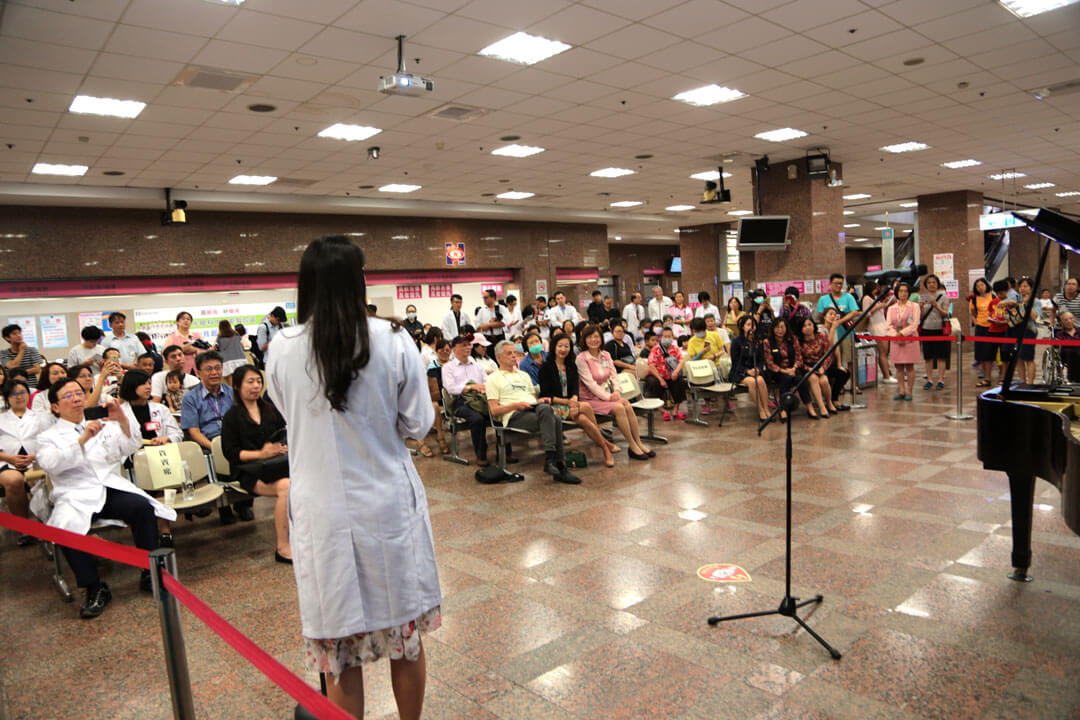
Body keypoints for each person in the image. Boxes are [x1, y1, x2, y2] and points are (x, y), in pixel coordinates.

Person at [264, 236, 440, 720]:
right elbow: (417, 423)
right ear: (359, 282)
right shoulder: (393, 339)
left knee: (340, 654)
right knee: (405, 639)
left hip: (321, 512)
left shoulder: (282, 348)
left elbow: (289, 414)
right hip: (386, 503)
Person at [36, 380, 176, 618]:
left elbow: (129, 446)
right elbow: (50, 463)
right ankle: (94, 588)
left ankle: (149, 571)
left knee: (141, 507)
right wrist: (82, 440)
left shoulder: (103, 423)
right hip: (74, 494)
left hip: (107, 486)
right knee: (66, 530)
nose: (76, 398)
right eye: (68, 396)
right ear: (55, 407)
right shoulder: (47, 437)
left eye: (79, 393)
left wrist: (122, 421)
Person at [220, 365, 291, 563]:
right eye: (250, 382)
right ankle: (283, 547)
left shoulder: (270, 410)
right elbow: (231, 453)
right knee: (287, 487)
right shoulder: (232, 417)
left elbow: (282, 436)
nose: (256, 386)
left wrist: (282, 447)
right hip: (249, 471)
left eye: (259, 381)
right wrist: (261, 453)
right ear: (237, 386)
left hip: (276, 465)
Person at [486, 340, 581, 484]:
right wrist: (517, 405)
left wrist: (539, 401)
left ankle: (552, 461)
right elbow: (494, 411)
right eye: (509, 353)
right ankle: (559, 466)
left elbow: (533, 399)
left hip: (533, 409)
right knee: (554, 418)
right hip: (514, 415)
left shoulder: (523, 375)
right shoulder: (493, 378)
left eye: (514, 352)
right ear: (498, 357)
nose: (514, 356)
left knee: (549, 412)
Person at [180, 350, 252, 524]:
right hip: (207, 442)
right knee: (214, 458)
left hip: (232, 439)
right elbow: (193, 431)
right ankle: (223, 507)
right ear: (198, 373)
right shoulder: (190, 398)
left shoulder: (232, 392)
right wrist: (215, 446)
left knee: (249, 453)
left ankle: (243, 504)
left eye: (218, 368)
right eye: (209, 369)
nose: (214, 373)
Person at [539, 333, 620, 467]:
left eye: (566, 346)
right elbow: (546, 395)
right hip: (554, 407)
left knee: (582, 418)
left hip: (571, 404)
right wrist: (569, 403)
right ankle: (606, 447)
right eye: (560, 346)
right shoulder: (546, 367)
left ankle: (605, 447)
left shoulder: (571, 365)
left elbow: (575, 389)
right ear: (554, 347)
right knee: (586, 407)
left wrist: (574, 401)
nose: (563, 349)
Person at [575, 325, 653, 461]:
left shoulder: (606, 355)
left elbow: (614, 375)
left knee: (627, 404)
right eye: (590, 337)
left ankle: (638, 443)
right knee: (619, 407)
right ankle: (632, 445)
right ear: (584, 340)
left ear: (601, 338)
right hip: (589, 398)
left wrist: (617, 391)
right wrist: (609, 397)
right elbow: (590, 384)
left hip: (607, 395)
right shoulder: (581, 359)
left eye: (596, 336)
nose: (593, 340)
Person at [0, 379, 53, 543]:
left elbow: (51, 441)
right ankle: (25, 528)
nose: (19, 397)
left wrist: (35, 456)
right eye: (13, 394)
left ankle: (47, 524)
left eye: (22, 392)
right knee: (14, 481)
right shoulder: (1, 418)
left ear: (28, 395)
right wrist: (9, 458)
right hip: (7, 461)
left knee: (35, 478)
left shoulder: (42, 417)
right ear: (7, 398)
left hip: (36, 459)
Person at [442, 335, 491, 467]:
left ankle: (504, 452)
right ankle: (481, 455)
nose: (468, 347)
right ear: (454, 348)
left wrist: (483, 388)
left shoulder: (477, 365)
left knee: (497, 412)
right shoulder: (448, 367)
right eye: (463, 345)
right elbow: (451, 388)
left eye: (469, 344)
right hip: (459, 401)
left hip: (479, 398)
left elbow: (487, 381)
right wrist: (470, 387)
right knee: (477, 418)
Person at [118, 370, 182, 445]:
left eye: (149, 383)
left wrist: (167, 438)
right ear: (131, 386)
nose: (148, 387)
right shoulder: (119, 413)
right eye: (143, 384)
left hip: (161, 450)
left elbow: (178, 434)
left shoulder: (161, 409)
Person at [795, 316, 838, 417]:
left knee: (824, 381)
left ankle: (829, 403)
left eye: (809, 324)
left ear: (814, 326)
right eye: (804, 326)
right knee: (813, 379)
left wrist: (823, 367)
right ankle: (821, 407)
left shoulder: (822, 337)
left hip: (821, 365)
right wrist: (809, 369)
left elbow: (828, 355)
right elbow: (798, 360)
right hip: (807, 367)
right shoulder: (798, 342)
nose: (807, 327)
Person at [763, 318, 804, 422]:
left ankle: (810, 406)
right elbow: (769, 363)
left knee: (801, 379)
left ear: (786, 328)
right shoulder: (768, 342)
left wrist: (793, 368)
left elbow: (799, 357)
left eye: (782, 327)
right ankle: (783, 409)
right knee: (786, 378)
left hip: (793, 369)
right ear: (773, 328)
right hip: (777, 371)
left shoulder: (793, 339)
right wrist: (785, 371)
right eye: (777, 327)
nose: (780, 330)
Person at [729, 315, 769, 421]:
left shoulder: (758, 341)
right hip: (739, 372)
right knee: (752, 382)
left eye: (753, 325)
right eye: (748, 325)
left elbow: (761, 360)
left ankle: (766, 409)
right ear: (743, 327)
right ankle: (760, 410)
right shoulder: (736, 341)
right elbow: (735, 362)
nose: (752, 327)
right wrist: (747, 371)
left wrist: (758, 369)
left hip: (755, 371)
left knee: (760, 380)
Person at [686, 317, 728, 415]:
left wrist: (714, 356)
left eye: (701, 331)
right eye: (696, 331)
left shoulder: (714, 335)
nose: (699, 333)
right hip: (701, 368)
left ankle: (727, 401)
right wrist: (702, 352)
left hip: (716, 365)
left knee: (721, 373)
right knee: (702, 378)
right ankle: (707, 404)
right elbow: (692, 360)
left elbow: (723, 350)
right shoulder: (692, 341)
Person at [886, 282, 920, 401]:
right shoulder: (891, 308)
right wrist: (895, 334)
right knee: (899, 367)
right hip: (896, 340)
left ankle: (909, 391)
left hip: (910, 339)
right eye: (901, 291)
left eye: (906, 291)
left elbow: (914, 324)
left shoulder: (914, 306)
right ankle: (901, 390)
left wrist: (902, 333)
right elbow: (888, 325)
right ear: (896, 293)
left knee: (910, 366)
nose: (903, 293)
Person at [646, 327, 688, 420]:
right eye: (665, 336)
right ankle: (662, 410)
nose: (667, 338)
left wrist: (676, 372)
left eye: (669, 336)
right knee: (653, 382)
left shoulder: (675, 349)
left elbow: (681, 361)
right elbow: (651, 365)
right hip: (657, 375)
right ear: (661, 337)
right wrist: (661, 379)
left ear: (672, 337)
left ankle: (676, 410)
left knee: (680, 382)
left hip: (671, 375)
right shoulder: (656, 349)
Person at [815, 274, 859, 362]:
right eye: (836, 283)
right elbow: (819, 315)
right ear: (830, 284)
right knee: (832, 360)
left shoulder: (848, 297)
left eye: (840, 283)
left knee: (849, 360)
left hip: (846, 334)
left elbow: (854, 312)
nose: (838, 285)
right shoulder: (823, 299)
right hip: (829, 335)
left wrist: (840, 321)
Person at [918, 274, 950, 390]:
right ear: (926, 285)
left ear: (937, 284)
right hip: (926, 329)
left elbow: (945, 314)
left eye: (934, 282)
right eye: (929, 282)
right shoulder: (922, 297)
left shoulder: (944, 297)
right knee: (928, 357)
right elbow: (921, 317)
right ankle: (930, 380)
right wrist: (921, 307)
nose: (932, 284)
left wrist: (936, 306)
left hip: (940, 330)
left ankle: (941, 379)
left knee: (941, 356)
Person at [863, 279, 896, 384]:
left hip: (883, 326)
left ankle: (887, 374)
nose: (877, 289)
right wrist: (878, 306)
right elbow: (866, 313)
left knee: (885, 353)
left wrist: (885, 302)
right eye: (875, 287)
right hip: (876, 328)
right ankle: (886, 376)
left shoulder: (875, 298)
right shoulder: (867, 298)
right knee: (882, 352)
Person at [821, 307, 852, 410]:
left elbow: (836, 347)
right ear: (824, 316)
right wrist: (833, 328)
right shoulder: (821, 329)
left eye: (834, 314)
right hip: (821, 364)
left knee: (844, 373)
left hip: (831, 363)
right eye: (830, 314)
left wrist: (839, 365)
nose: (832, 316)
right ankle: (829, 401)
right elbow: (829, 346)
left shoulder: (834, 330)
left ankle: (834, 399)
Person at [969, 277, 994, 388]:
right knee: (980, 349)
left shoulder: (993, 296)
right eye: (977, 286)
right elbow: (972, 313)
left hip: (991, 326)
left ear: (986, 285)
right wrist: (976, 322)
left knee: (990, 349)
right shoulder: (974, 299)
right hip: (980, 327)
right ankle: (983, 370)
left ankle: (992, 371)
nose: (980, 287)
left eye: (982, 285)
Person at [1013, 277, 1038, 385]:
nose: (1022, 289)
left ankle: (1030, 383)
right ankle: (1022, 382)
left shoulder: (1036, 301)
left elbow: (1034, 317)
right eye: (1020, 286)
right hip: (1016, 330)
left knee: (1028, 358)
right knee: (1018, 358)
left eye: (1025, 286)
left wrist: (1027, 303)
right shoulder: (1015, 300)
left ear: (1031, 288)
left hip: (1029, 330)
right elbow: (1013, 316)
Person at [475, 289, 506, 357]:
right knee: (489, 357)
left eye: (486, 297)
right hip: (487, 338)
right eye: (483, 297)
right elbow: (477, 326)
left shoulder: (501, 308)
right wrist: (494, 324)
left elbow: (503, 323)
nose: (484, 299)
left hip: (499, 337)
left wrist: (488, 325)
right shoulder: (481, 311)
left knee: (501, 356)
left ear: (493, 298)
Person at [1056, 312, 1080, 382]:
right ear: (1062, 322)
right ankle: (1074, 378)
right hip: (1067, 354)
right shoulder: (1060, 334)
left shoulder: (1079, 331)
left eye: (1071, 318)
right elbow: (1057, 346)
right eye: (1066, 320)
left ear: (1073, 320)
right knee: (1074, 353)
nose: (1069, 321)